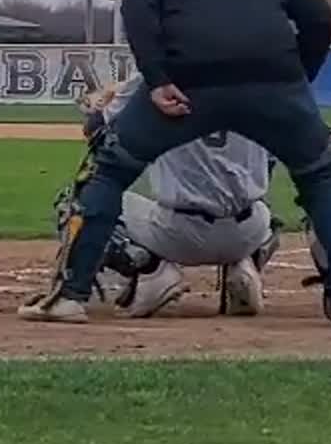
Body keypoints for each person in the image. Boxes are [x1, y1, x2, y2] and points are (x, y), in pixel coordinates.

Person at [18, 0, 331, 328]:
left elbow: (137, 10)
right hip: (274, 87)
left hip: (188, 87)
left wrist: (157, 78)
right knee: (326, 174)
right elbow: (321, 19)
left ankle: (70, 295)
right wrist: (296, 82)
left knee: (105, 172)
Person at [70, 76, 282, 319]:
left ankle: (152, 270)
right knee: (260, 198)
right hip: (250, 231)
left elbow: (94, 130)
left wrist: (103, 103)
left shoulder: (157, 75)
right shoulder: (261, 75)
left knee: (79, 199)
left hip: (178, 234)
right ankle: (245, 268)